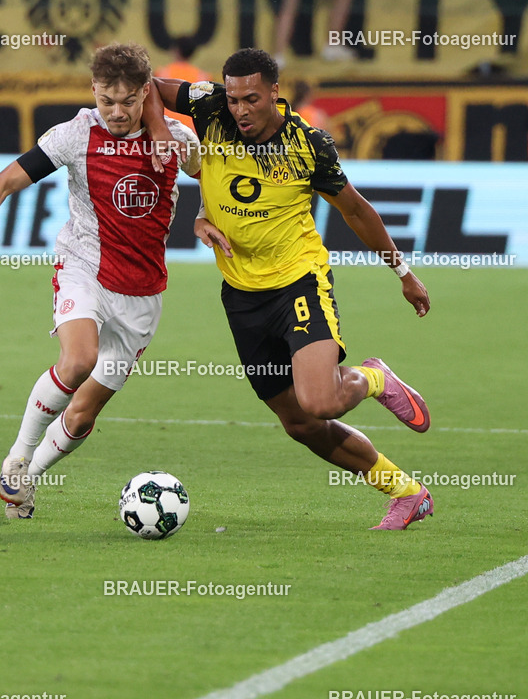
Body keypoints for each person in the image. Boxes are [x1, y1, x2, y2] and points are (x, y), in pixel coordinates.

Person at [146, 48, 434, 531]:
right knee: (300, 423)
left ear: (275, 92)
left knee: (320, 400)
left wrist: (402, 272)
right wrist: (162, 136)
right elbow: (146, 85)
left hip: (298, 283)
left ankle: (374, 378)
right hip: (241, 294)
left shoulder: (307, 145)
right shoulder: (209, 106)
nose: (240, 110)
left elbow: (356, 210)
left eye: (251, 99)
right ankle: (406, 493)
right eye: (234, 99)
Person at [0, 43, 200, 519]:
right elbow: (5, 181)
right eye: (106, 100)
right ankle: (18, 456)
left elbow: (213, 180)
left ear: (146, 93)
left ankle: (27, 480)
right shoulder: (75, 135)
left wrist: (205, 214)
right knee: (79, 360)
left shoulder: (175, 139)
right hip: (85, 267)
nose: (116, 112)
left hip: (143, 292)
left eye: (127, 101)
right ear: (93, 91)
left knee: (82, 415)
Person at [155, 36, 210, 131]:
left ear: (176, 50)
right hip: (193, 131)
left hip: (167, 129)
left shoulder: (161, 74)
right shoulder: (203, 77)